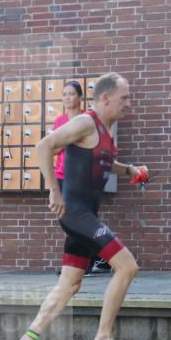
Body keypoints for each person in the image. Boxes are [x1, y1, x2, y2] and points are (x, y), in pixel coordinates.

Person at [17, 73, 148, 340]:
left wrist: (129, 170)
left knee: (70, 284)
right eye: (124, 97)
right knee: (127, 267)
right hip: (76, 214)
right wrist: (54, 191)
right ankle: (103, 336)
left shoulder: (104, 130)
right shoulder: (86, 122)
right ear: (106, 98)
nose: (129, 103)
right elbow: (44, 146)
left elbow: (101, 161)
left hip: (85, 215)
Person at [52, 81, 110, 277]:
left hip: (83, 177)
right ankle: (99, 258)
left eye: (71, 94)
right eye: (64, 94)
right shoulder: (59, 121)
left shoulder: (87, 119)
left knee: (76, 223)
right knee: (71, 223)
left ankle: (80, 265)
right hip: (62, 176)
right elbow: (54, 148)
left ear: (80, 97)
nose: (67, 97)